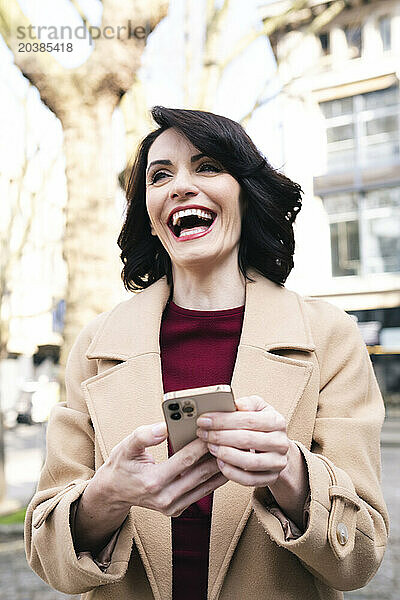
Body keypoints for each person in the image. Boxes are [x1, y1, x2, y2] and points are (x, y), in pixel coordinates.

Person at [25, 106, 389, 600]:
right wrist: (104, 496)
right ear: (150, 218)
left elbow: (360, 559)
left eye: (208, 166)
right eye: (160, 176)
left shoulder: (330, 337)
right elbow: (49, 560)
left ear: (246, 193)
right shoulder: (95, 346)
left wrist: (290, 471)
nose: (179, 186)